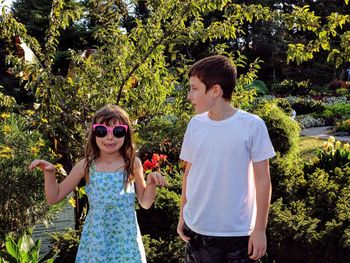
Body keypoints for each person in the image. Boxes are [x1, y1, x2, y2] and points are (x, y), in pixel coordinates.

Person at [29, 105, 166, 263]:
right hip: (96, 242)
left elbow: (146, 203)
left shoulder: (133, 163)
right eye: (102, 131)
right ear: (94, 133)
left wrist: (151, 183)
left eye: (118, 131)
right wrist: (50, 172)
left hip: (126, 241)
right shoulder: (86, 165)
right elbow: (54, 197)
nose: (110, 137)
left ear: (126, 134)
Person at [177, 55, 276, 263]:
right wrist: (182, 216)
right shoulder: (195, 125)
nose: (189, 96)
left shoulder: (252, 126)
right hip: (198, 230)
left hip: (238, 234)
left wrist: (260, 230)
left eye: (194, 88)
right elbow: (189, 172)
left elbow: (263, 181)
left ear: (215, 90)